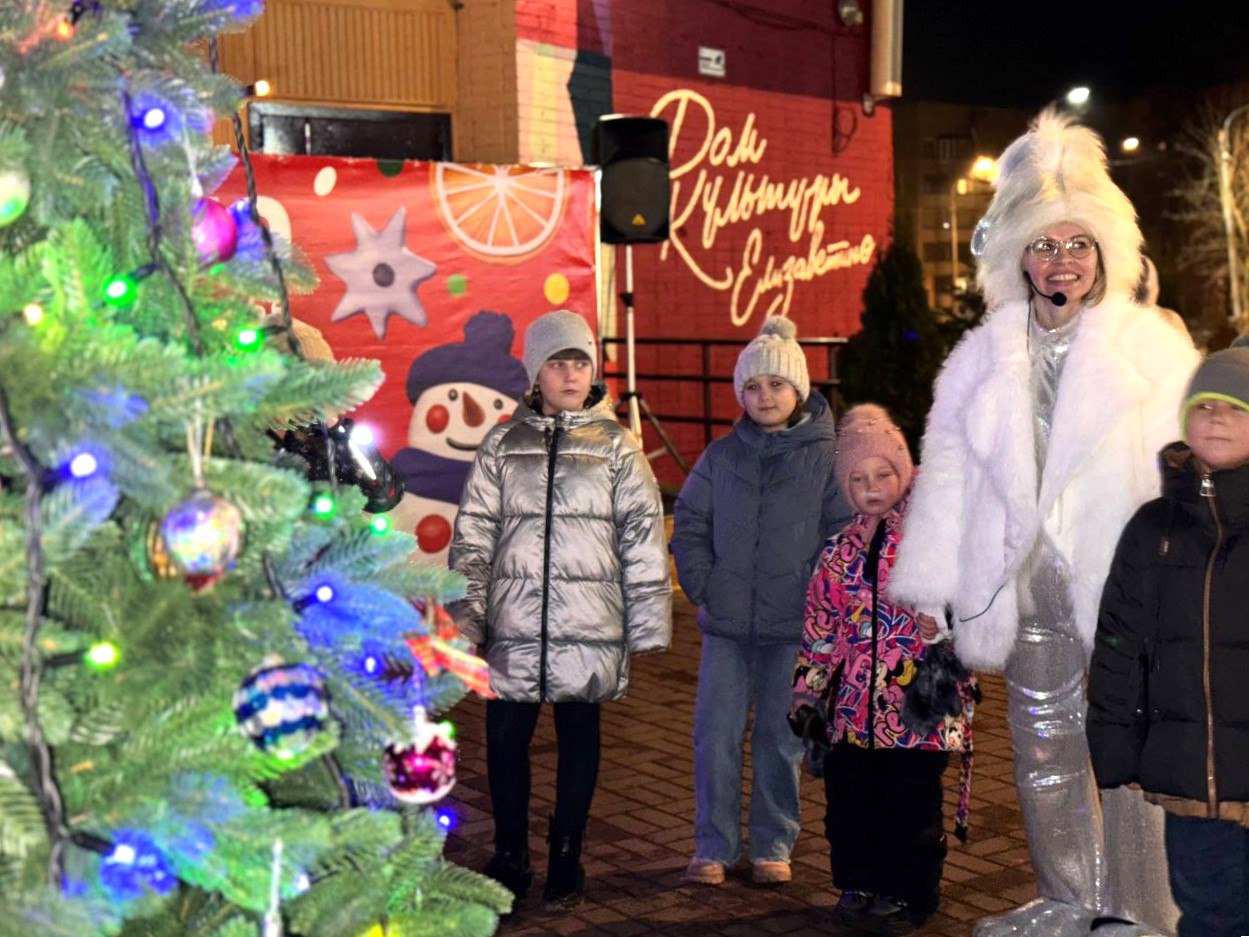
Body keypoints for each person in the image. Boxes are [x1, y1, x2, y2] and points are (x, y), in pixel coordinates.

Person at [889, 109, 1200, 937]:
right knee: (1041, 744)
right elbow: (948, 473)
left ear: (1104, 255)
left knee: (1129, 750)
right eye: (1043, 245)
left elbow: (1189, 474)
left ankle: (1138, 908)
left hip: (1124, 586)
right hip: (1022, 580)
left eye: (1076, 244)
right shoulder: (981, 355)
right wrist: (931, 584)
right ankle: (1070, 894)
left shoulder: (1151, 348)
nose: (1060, 261)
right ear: (1016, 257)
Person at [447, 309, 673, 909]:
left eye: (580, 362)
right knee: (504, 740)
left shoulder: (619, 447)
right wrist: (467, 616)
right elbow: (474, 535)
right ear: (535, 373)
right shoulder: (501, 444)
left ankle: (567, 855)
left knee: (579, 736)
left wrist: (646, 623)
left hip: (588, 622)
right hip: (513, 623)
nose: (571, 374)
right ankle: (510, 852)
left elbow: (642, 537)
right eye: (557, 362)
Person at [671, 316, 849, 887]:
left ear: (798, 390)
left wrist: (819, 604)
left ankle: (774, 843)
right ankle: (714, 846)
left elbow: (842, 537)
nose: (764, 396)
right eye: (752, 387)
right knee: (715, 736)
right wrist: (705, 584)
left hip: (793, 629)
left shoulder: (826, 459)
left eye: (775, 385)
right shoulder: (722, 457)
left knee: (780, 739)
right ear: (740, 395)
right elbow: (690, 524)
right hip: (726, 627)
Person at [791, 405, 975, 935]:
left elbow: (972, 608)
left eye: (884, 475)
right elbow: (821, 628)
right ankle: (860, 880)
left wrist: (942, 626)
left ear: (905, 472)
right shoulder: (837, 553)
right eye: (858, 479)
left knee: (910, 809)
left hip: (918, 714)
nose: (873, 488)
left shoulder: (933, 541)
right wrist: (807, 690)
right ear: (845, 486)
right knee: (851, 805)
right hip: (852, 714)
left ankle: (910, 891)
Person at [1088, 340, 1249, 937]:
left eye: (1236, 407)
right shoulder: (1153, 528)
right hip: (1191, 782)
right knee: (1210, 915)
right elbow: (1119, 644)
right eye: (1205, 406)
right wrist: (1116, 745)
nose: (1217, 419)